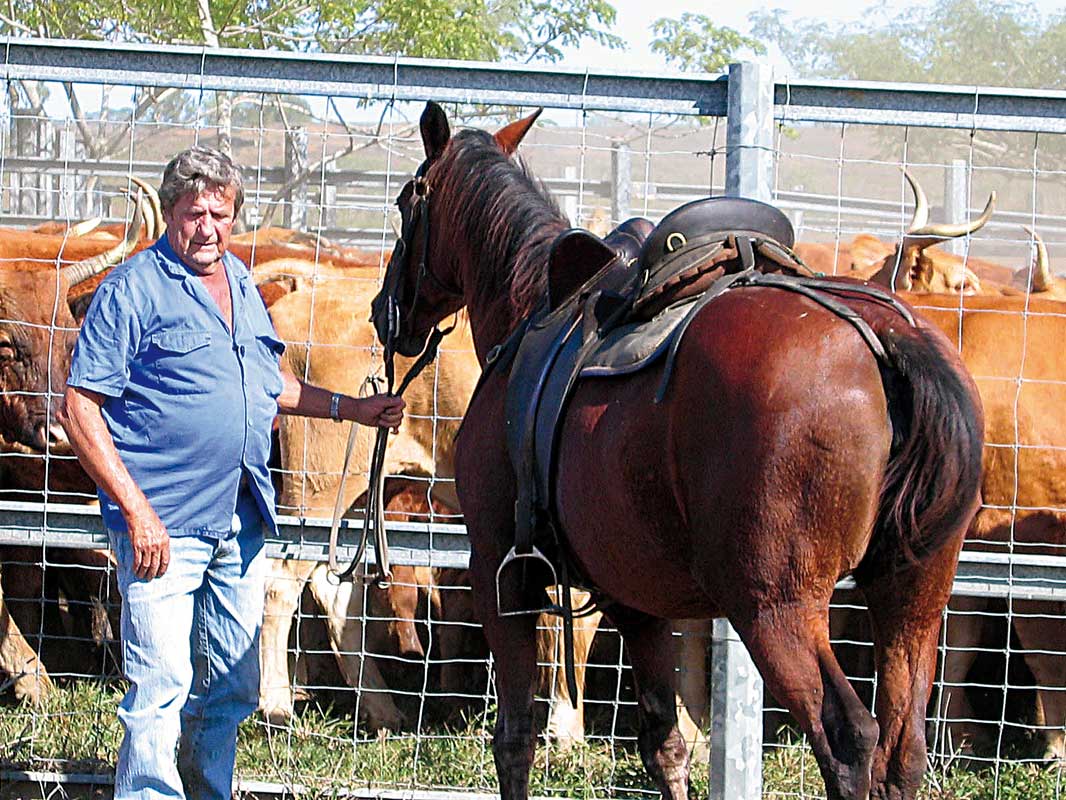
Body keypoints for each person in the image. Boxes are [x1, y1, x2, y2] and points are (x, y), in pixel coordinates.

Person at [59, 146, 404, 800]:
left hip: (240, 522)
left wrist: (352, 409)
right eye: (194, 214)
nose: (208, 228)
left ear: (235, 217)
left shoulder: (241, 284)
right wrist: (136, 511)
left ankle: (205, 790)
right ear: (170, 213)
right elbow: (79, 409)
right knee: (161, 685)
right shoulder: (133, 290)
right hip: (163, 526)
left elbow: (268, 383)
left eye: (220, 214)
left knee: (233, 685)